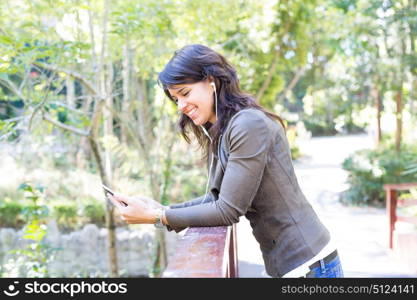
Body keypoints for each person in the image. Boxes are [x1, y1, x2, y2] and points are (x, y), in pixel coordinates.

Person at [108, 44, 344, 278]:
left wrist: (158, 218)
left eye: (185, 93)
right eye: (175, 99)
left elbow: (227, 210)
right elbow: (215, 198)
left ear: (211, 81)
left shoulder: (248, 124)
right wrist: (160, 209)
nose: (181, 106)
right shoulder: (224, 129)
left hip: (311, 267)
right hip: (291, 267)